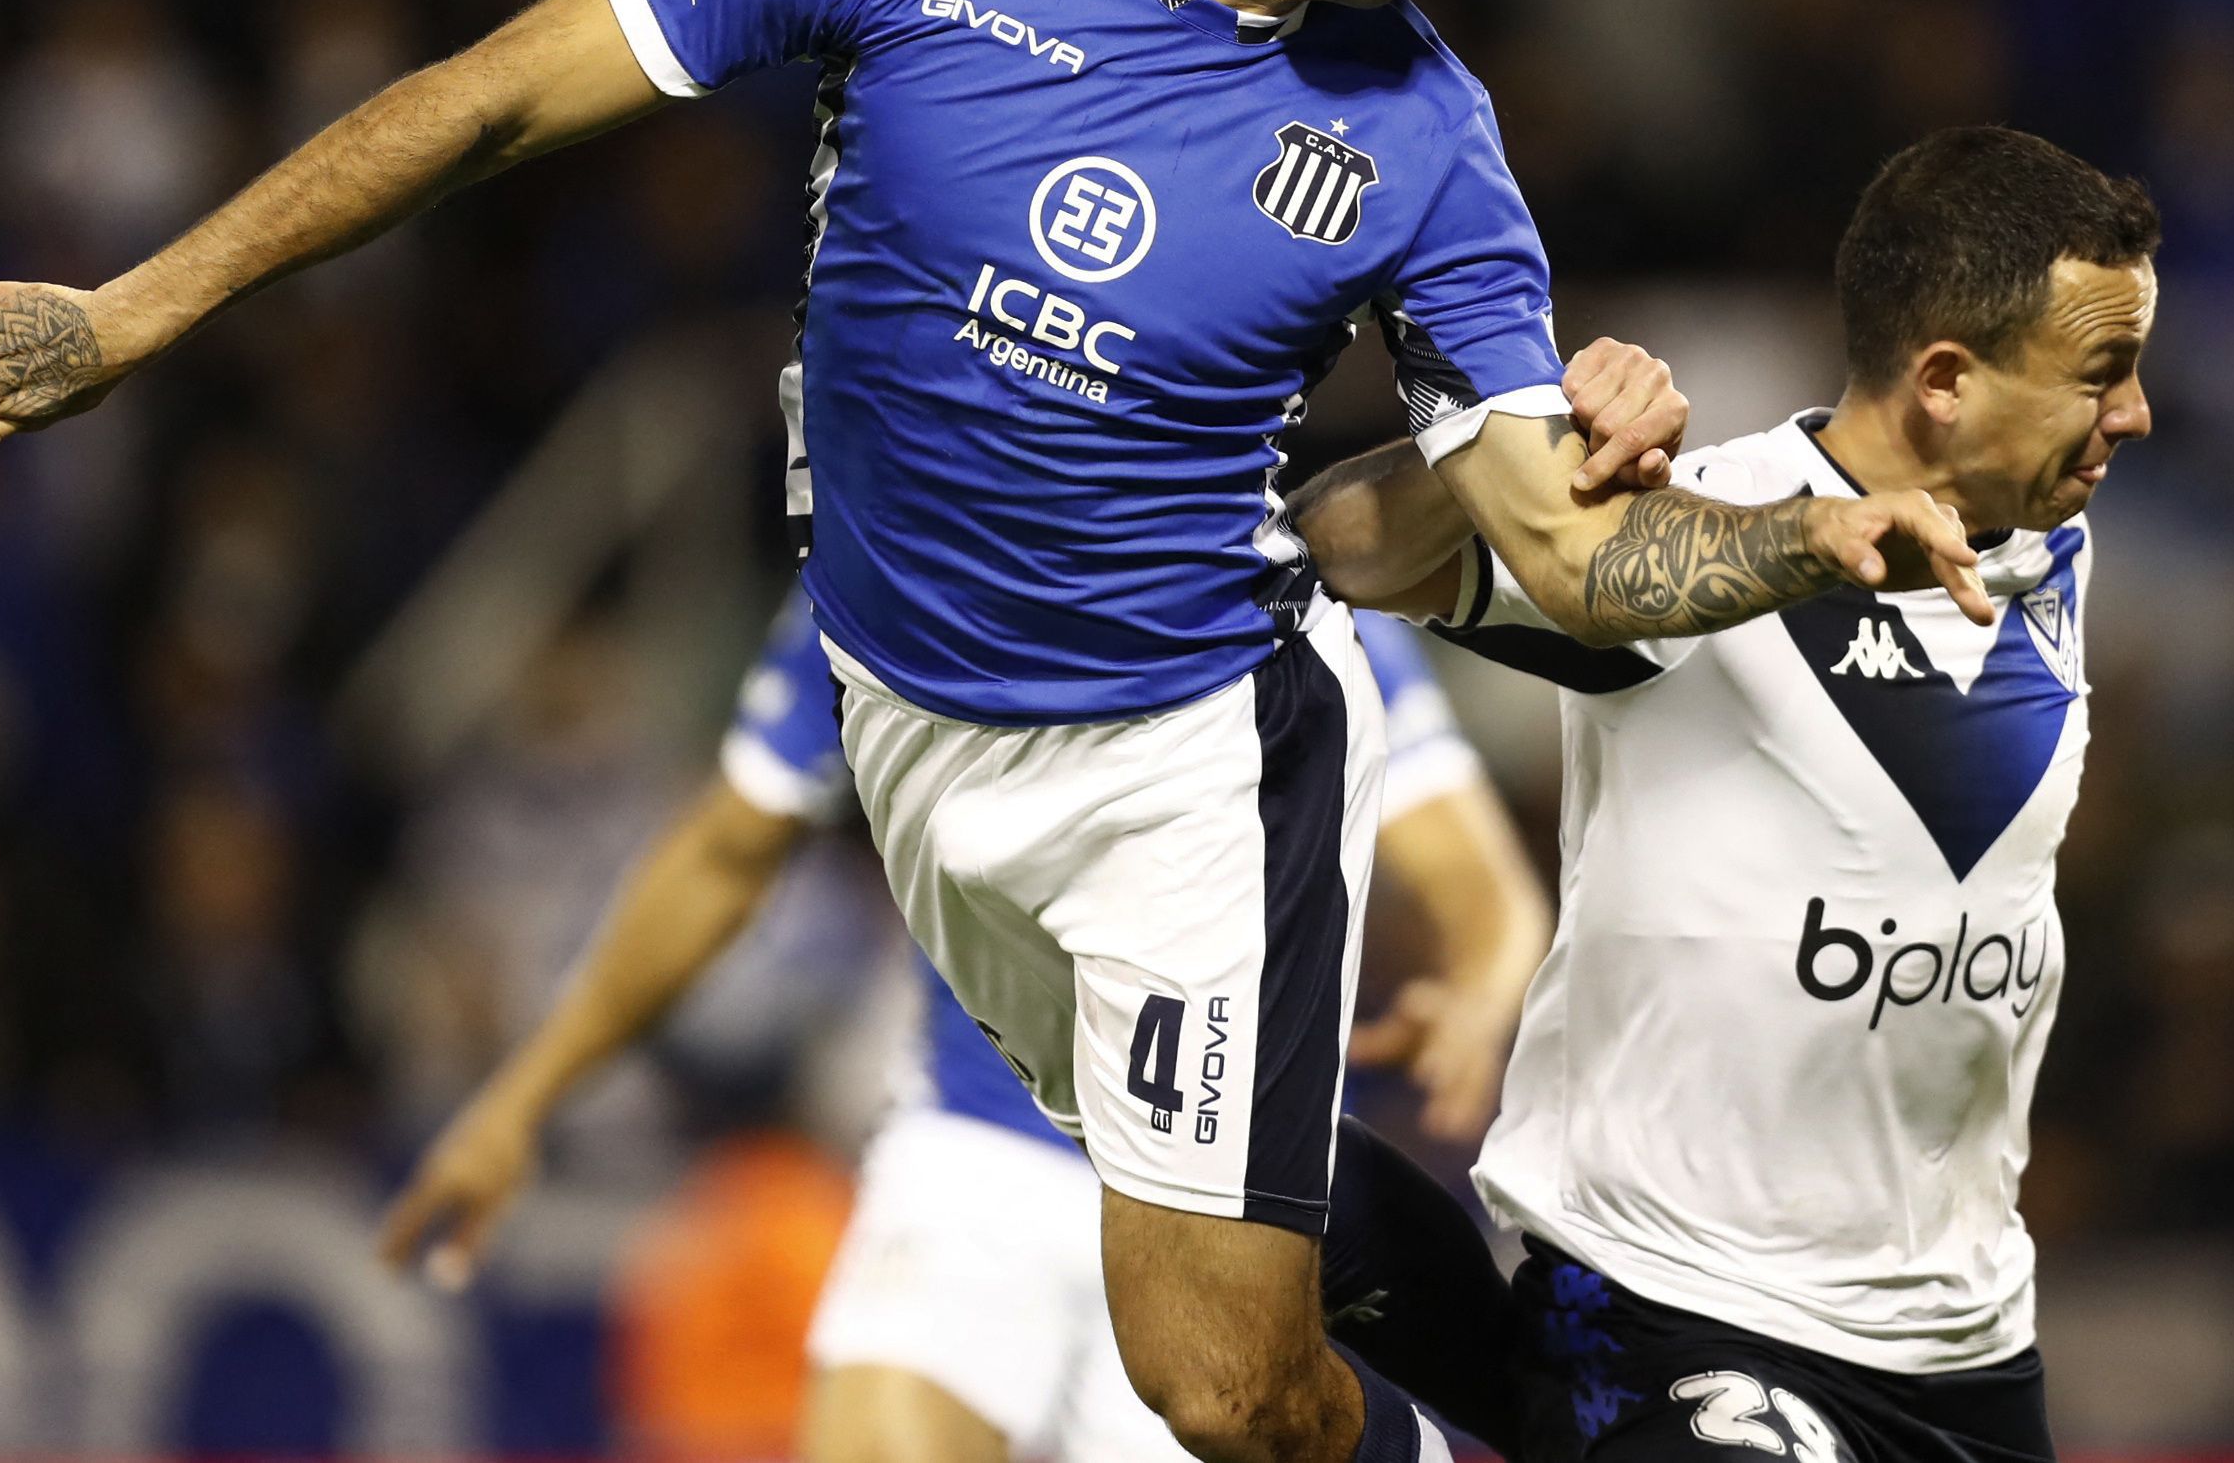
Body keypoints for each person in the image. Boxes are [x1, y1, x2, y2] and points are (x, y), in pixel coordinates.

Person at [0, 0, 1986, 1461]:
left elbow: (1557, 542)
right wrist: (135, 307)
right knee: (1241, 1270)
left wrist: (1803, 536)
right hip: (909, 743)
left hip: (1186, 768)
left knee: (1219, 1386)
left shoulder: (1427, 136)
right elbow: (496, 93)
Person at [1290, 128, 2161, 1463]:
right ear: (1942, 380)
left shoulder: (2048, 545)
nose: (2135, 411)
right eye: (2100, 372)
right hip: (1673, 1304)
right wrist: (1527, 456)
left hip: (1967, 1343)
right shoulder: (1691, 522)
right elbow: (1334, 545)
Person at [377, 590, 1549, 1463]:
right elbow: (728, 849)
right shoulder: (891, 566)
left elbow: (1482, 887)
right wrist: (520, 1097)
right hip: (978, 1147)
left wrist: (1487, 981)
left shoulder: (1296, 605)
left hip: (1217, 1197)